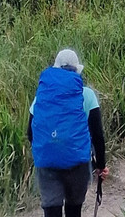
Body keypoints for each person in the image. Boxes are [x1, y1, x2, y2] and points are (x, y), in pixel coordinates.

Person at [28, 49, 107, 217]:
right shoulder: (87, 94)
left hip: (47, 162)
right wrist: (100, 165)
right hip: (77, 164)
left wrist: (48, 148)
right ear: (76, 71)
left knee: (51, 211)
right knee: (73, 211)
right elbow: (97, 135)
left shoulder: (41, 96)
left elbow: (30, 133)